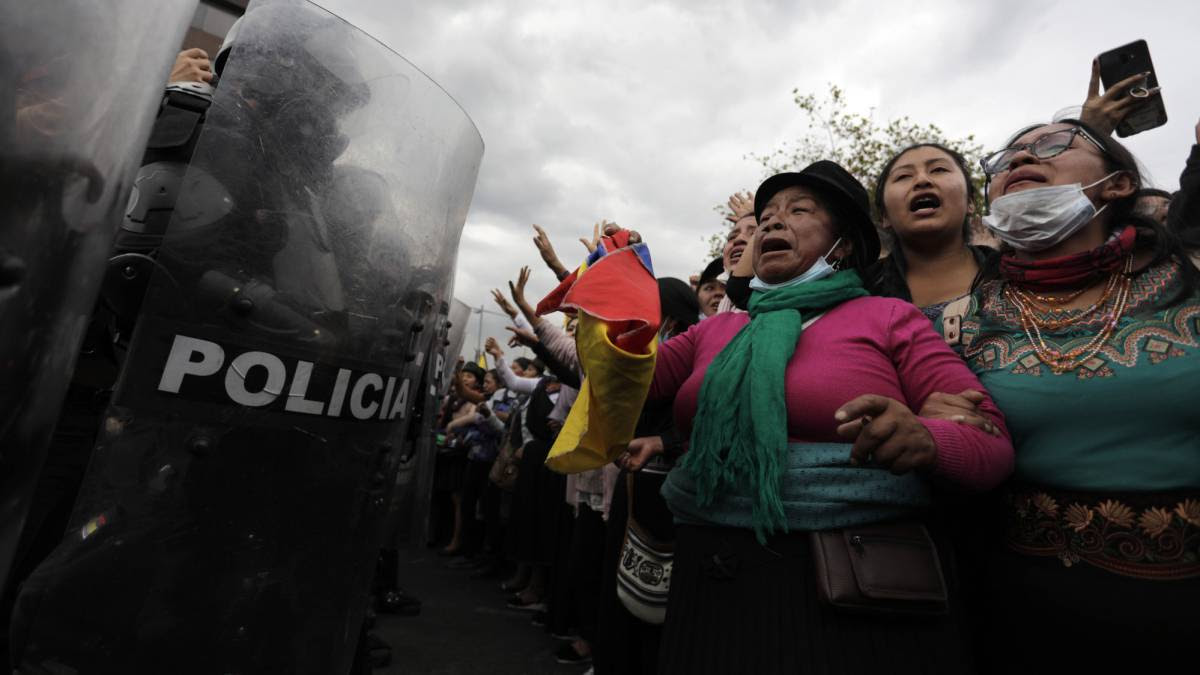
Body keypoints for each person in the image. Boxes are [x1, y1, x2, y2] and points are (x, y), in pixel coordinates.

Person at [618, 160, 1012, 674]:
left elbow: (991, 444)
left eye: (798, 211)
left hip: (843, 592)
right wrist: (618, 295)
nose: (773, 224)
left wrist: (928, 439)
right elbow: (620, 387)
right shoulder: (715, 331)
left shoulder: (889, 318)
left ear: (842, 245)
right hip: (705, 581)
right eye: (766, 218)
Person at [943, 119, 1200, 673]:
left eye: (1053, 145)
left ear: (1119, 184)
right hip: (1019, 615)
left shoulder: (1193, 281)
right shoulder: (962, 320)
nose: (1019, 158)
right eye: (1006, 155)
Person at [868, 143, 998, 319]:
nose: (922, 180)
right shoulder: (858, 293)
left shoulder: (1015, 276)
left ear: (970, 202)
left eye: (939, 169)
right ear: (885, 216)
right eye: (903, 176)